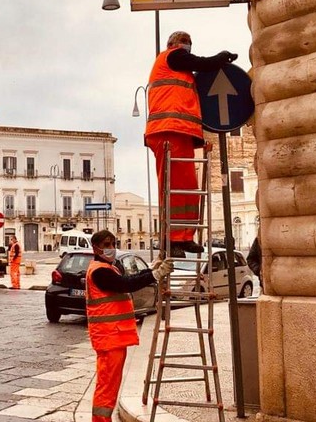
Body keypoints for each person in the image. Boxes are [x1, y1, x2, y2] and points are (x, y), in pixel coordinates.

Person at [145, 31, 237, 257]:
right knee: (173, 187)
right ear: (172, 45)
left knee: (187, 188)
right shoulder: (172, 57)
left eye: (189, 43)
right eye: (184, 43)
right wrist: (221, 57)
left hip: (179, 131)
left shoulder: (183, 71)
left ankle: (186, 236)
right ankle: (172, 239)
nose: (187, 47)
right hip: (167, 129)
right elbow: (202, 63)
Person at [85, 230, 173, 422]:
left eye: (113, 244)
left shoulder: (108, 267)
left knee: (110, 384)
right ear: (96, 248)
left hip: (113, 337)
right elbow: (126, 284)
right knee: (107, 385)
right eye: (106, 245)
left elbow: (129, 279)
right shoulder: (100, 271)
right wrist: (155, 275)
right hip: (109, 338)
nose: (111, 248)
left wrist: (150, 271)